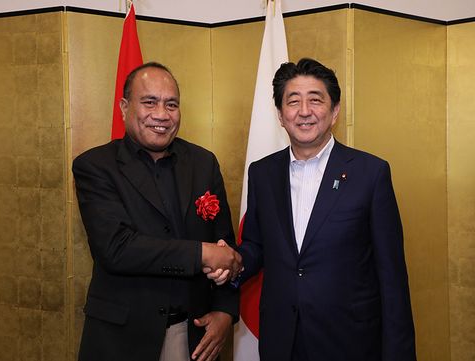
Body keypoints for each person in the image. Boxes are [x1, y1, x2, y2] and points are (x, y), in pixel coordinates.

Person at [211, 58, 416, 360]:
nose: (304, 111)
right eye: (293, 102)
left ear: (334, 112)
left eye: (315, 100)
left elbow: (392, 277)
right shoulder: (263, 173)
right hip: (282, 339)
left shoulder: (370, 173)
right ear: (280, 115)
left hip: (350, 342)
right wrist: (233, 262)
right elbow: (256, 245)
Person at [72, 61, 242, 361]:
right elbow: (116, 248)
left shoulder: (203, 163)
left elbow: (225, 247)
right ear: (125, 107)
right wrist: (200, 254)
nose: (161, 115)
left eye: (171, 104)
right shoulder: (95, 167)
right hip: (122, 339)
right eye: (149, 102)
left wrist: (226, 311)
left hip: (193, 334)